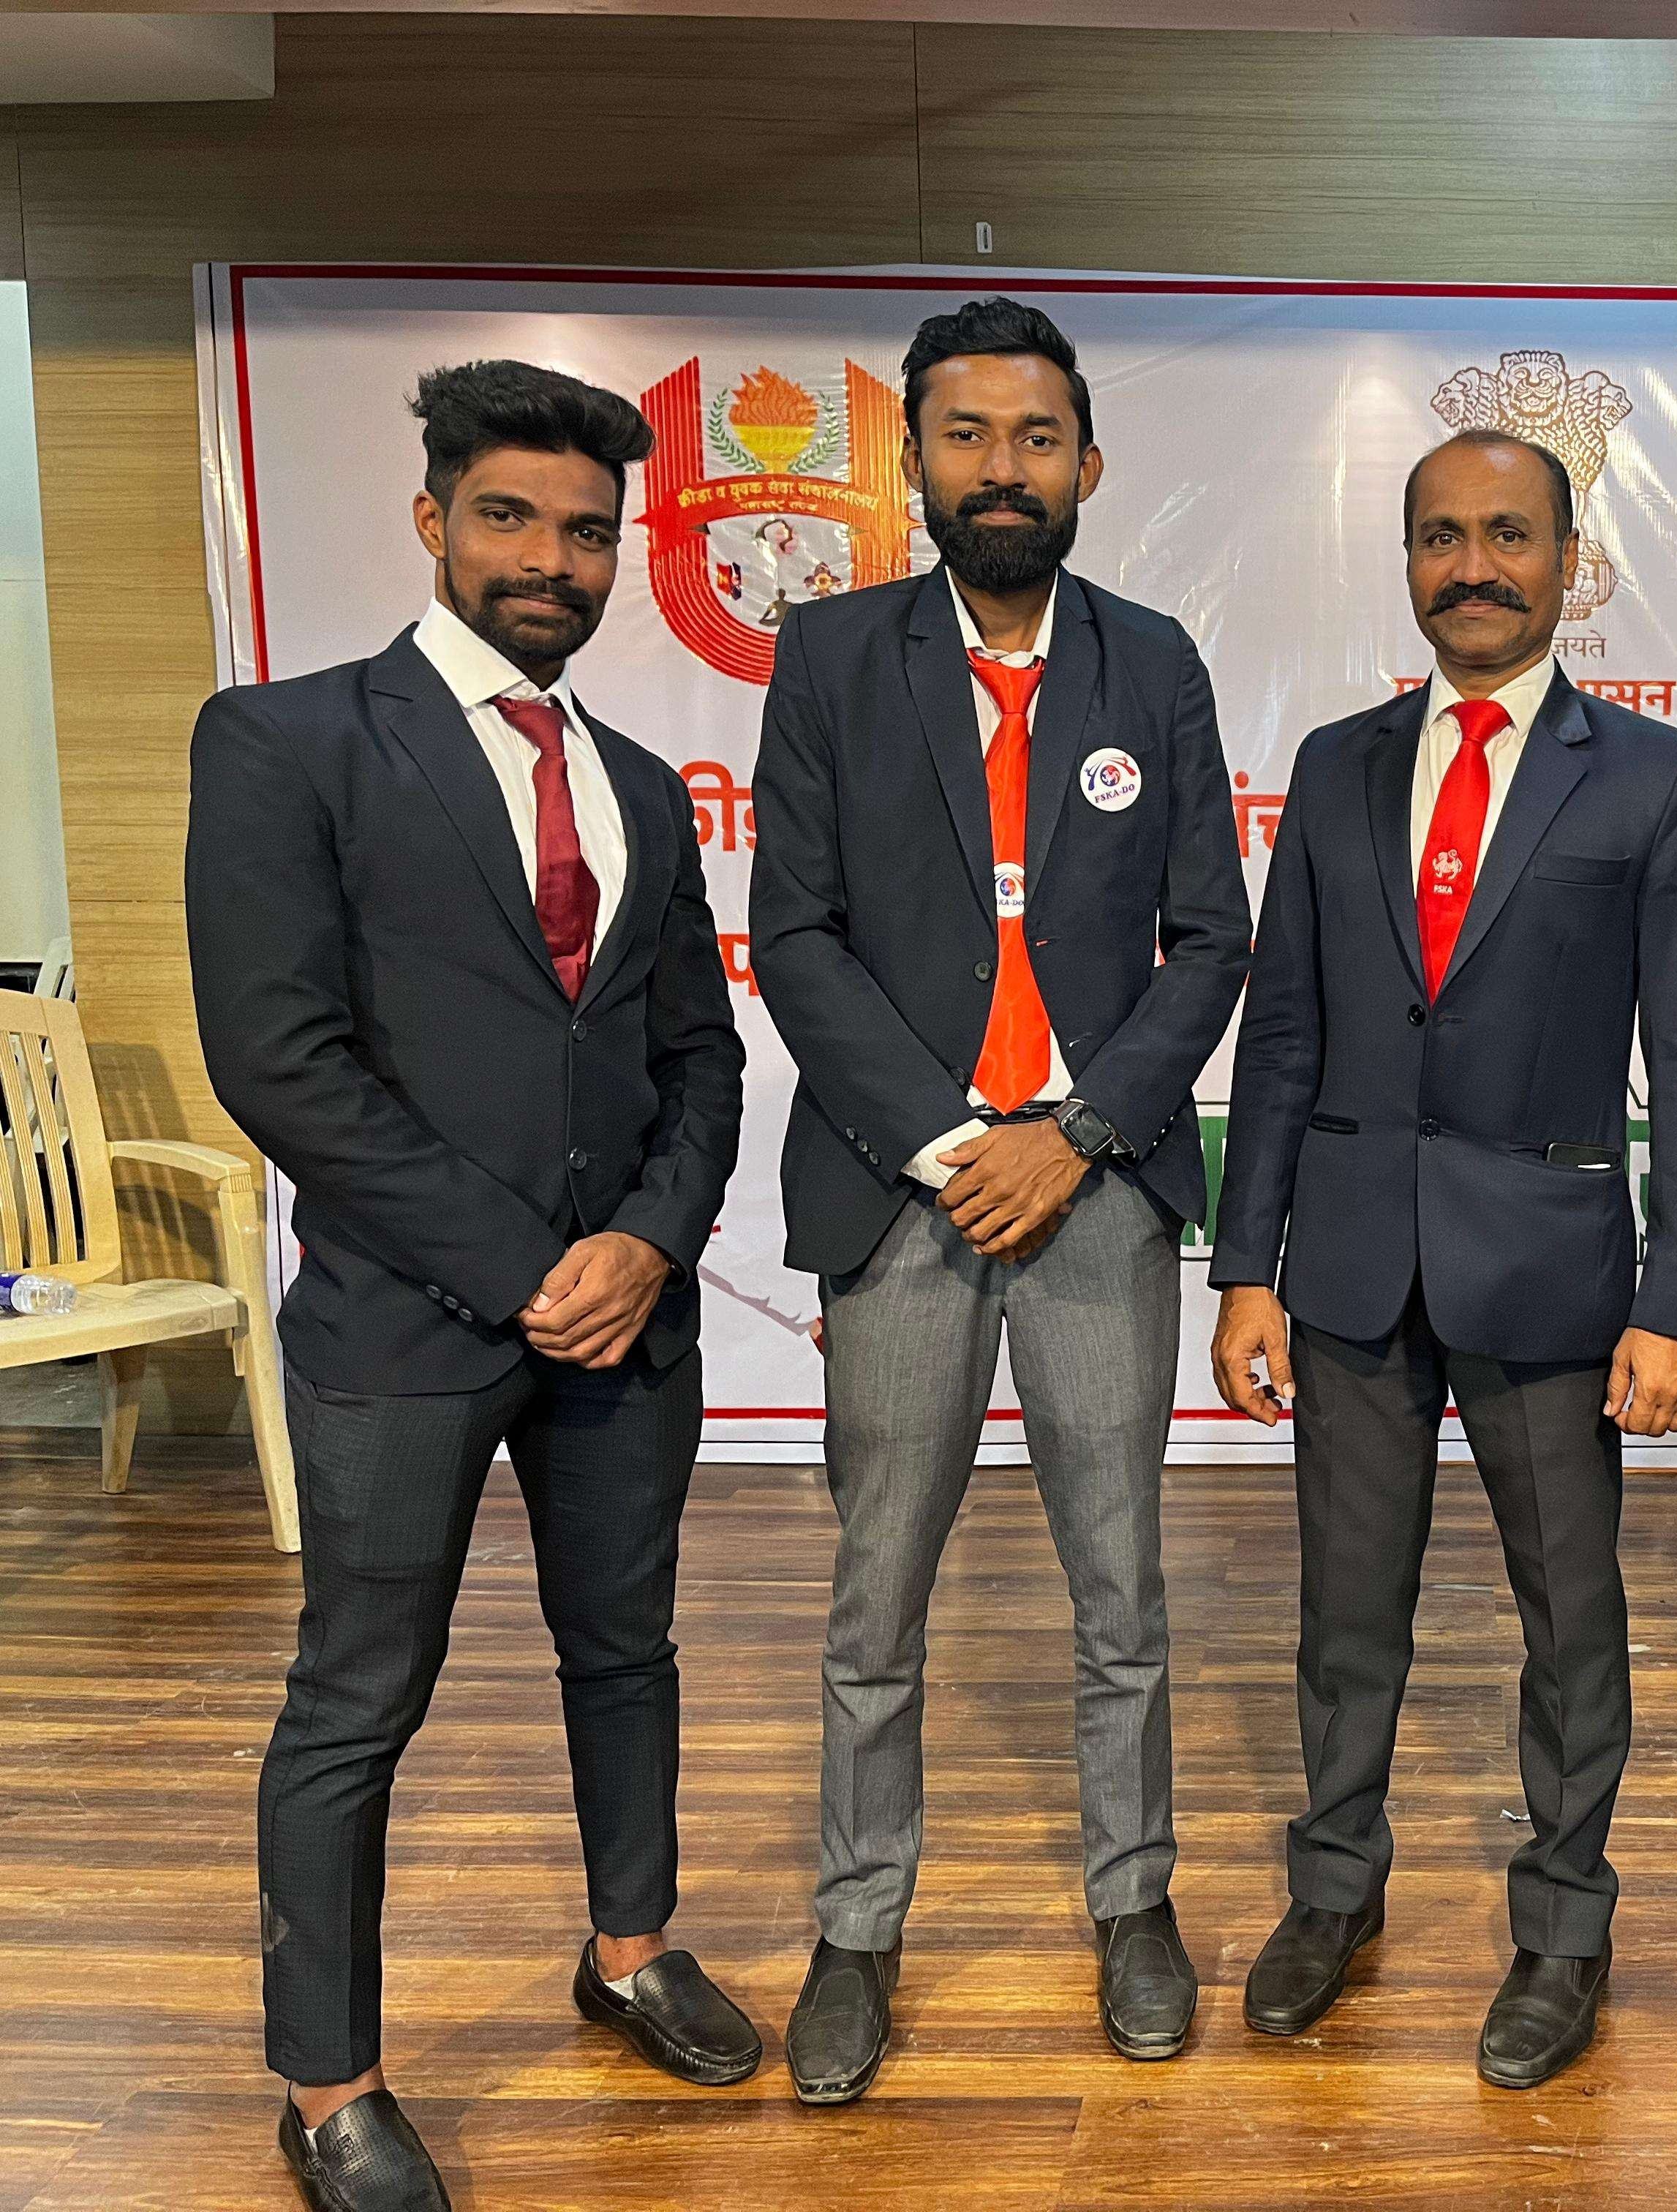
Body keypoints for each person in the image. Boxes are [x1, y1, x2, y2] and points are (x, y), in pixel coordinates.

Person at [189, 361, 751, 2212]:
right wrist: (527, 1272)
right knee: (355, 1699)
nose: (551, 560)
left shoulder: (644, 786)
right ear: (432, 520)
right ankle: (328, 2086)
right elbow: (281, 1063)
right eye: (511, 517)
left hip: (626, 1325)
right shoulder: (284, 742)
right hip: (403, 1327)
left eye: (589, 532)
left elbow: (698, 1058)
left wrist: (649, 1243)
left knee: (628, 1651)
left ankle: (629, 1950)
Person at [749, 298, 1249, 2094]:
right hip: (905, 1194)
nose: (1003, 468)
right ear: (913, 463)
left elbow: (1211, 940)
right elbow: (793, 933)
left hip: (1096, 1189)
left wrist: (1077, 1131)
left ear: (1087, 463)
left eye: (1037, 437)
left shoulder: (1156, 663)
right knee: (875, 1595)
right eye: (966, 435)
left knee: (1123, 1588)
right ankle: (856, 1924)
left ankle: (1135, 1897)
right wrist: (951, 1140)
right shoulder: (830, 657)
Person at [1208, 428, 1677, 2088]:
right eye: (1442, 536)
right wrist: (1244, 1267)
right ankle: (1333, 1889)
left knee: (1570, 1618)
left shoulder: (1653, 775)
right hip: (1350, 1266)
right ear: (1409, 560)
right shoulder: (1337, 765)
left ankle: (1566, 1925)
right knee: (1344, 1611)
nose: (1474, 567)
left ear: (1569, 564)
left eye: (1509, 535)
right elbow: (1283, 1036)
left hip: (1555, 1273)